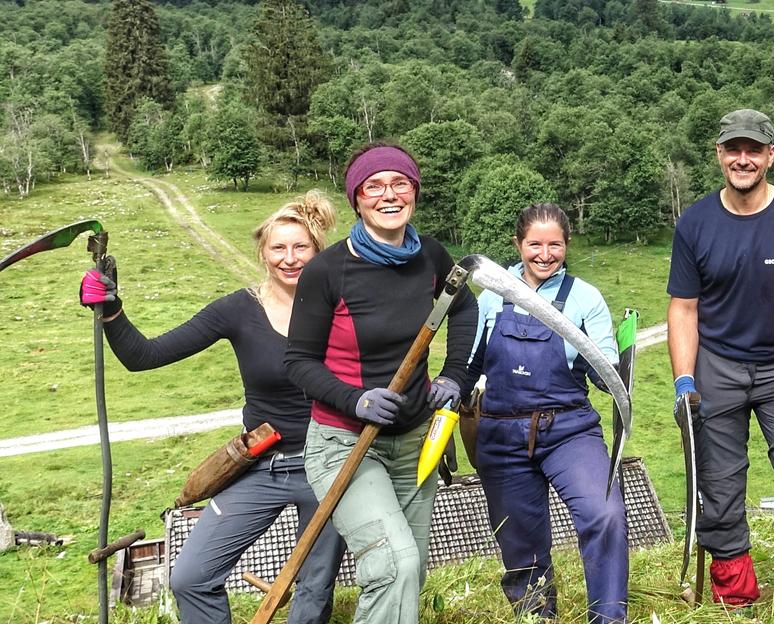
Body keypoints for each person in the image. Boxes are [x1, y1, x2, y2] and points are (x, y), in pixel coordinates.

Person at [79, 192, 345, 624]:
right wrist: (111, 310)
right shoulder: (238, 310)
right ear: (262, 252)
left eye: (302, 247)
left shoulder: (341, 307)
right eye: (279, 247)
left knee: (312, 594)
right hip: (262, 465)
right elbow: (143, 356)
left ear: (318, 251)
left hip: (331, 465)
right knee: (190, 577)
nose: (290, 258)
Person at [285, 143, 476, 623]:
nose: (388, 195)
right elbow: (299, 362)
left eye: (400, 183)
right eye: (374, 186)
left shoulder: (431, 256)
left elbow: (465, 306)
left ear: (414, 191)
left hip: (416, 442)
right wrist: (355, 400)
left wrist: (454, 375)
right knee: (395, 565)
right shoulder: (327, 271)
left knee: (412, 566)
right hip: (345, 442)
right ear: (357, 198)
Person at [667, 108, 774, 608]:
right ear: (719, 154)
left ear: (770, 155)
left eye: (754, 150)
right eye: (734, 149)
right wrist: (683, 380)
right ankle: (733, 587)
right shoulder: (695, 222)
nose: (743, 159)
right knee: (717, 480)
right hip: (716, 364)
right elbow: (683, 307)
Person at [464, 203, 628, 623]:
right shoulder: (492, 295)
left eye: (555, 244)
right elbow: (470, 364)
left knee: (604, 512)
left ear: (566, 245)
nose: (544, 253)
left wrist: (611, 372)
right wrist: (449, 391)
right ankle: (537, 617)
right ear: (518, 244)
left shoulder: (585, 297)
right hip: (501, 433)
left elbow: (605, 366)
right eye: (534, 243)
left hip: (569, 429)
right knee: (520, 540)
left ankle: (609, 617)